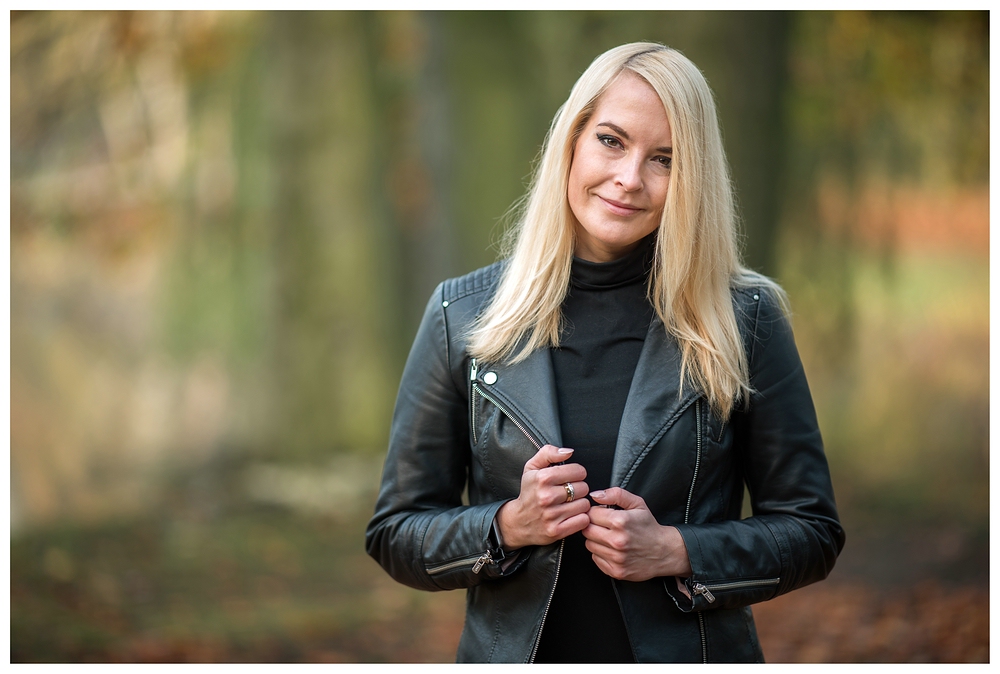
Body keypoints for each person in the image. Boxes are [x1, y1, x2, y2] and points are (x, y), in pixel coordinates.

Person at [365, 42, 844, 663]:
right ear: (572, 139)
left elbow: (811, 530)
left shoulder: (743, 320)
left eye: (664, 159)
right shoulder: (465, 316)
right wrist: (507, 526)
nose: (630, 178)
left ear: (691, 179)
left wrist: (678, 551)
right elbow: (397, 532)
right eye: (612, 141)